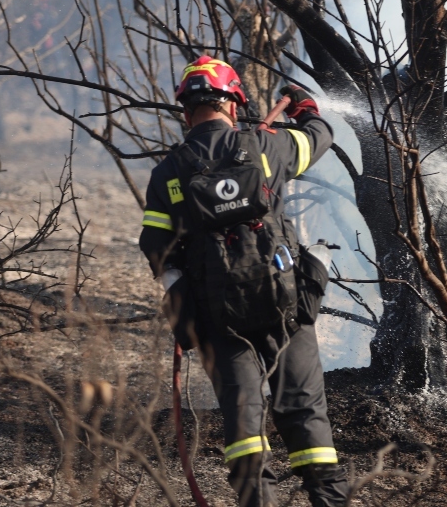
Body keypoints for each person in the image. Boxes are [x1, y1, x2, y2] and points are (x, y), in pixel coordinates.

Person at [139, 57, 348, 507]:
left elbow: (156, 246)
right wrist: (304, 107)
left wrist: (185, 300)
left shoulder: (167, 174)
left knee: (243, 426)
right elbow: (321, 137)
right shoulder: (266, 147)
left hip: (219, 320)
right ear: (234, 104)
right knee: (305, 412)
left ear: (186, 111)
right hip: (285, 304)